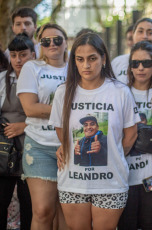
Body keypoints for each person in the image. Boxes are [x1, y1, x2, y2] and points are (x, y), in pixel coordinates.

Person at [49, 32, 139, 229]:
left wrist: (111, 153)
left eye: (92, 59)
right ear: (74, 61)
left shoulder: (120, 91)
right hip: (73, 181)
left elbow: (131, 134)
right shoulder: (63, 92)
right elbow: (60, 129)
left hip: (111, 182)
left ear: (103, 58)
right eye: (80, 60)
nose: (86, 65)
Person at [117, 40, 152, 230]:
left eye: (146, 63)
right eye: (135, 63)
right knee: (127, 225)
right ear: (130, 67)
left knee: (151, 224)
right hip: (125, 174)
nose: (140, 68)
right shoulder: (121, 92)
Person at [16, 23, 68, 229]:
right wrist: (69, 109)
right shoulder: (32, 67)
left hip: (71, 145)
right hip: (39, 146)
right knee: (43, 210)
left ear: (66, 42)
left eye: (57, 39)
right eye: (46, 41)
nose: (52, 44)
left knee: (67, 211)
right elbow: (30, 108)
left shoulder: (76, 66)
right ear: (40, 45)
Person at [0, 33, 35, 230]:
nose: (18, 60)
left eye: (23, 54)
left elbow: (52, 115)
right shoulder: (2, 80)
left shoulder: (41, 79)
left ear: (33, 54)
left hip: (32, 149)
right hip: (4, 152)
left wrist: (24, 126)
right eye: (13, 55)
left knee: (29, 206)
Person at [111, 18, 152, 84]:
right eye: (140, 31)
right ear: (133, 35)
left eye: (150, 33)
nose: (144, 36)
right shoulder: (117, 62)